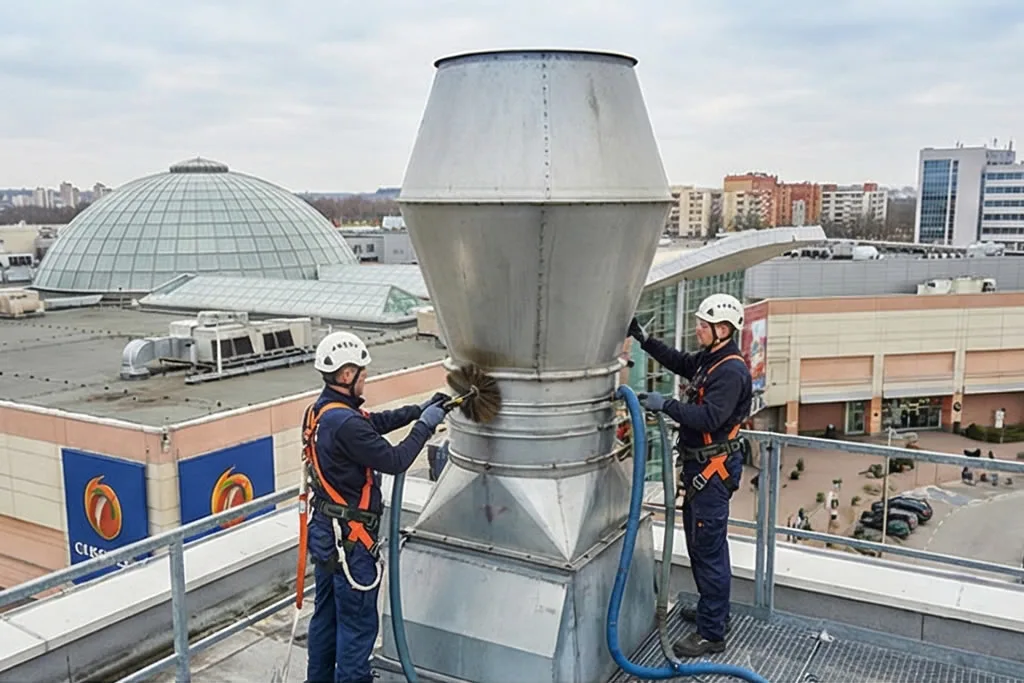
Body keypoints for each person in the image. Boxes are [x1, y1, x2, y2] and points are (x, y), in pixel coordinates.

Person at [303, 331, 450, 683]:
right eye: (362, 373)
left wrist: (418, 409)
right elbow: (396, 459)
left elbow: (373, 423)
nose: (365, 377)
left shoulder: (321, 411)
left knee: (326, 619)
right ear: (344, 375)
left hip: (326, 534)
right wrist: (424, 427)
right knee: (356, 630)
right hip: (352, 544)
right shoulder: (345, 424)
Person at [627, 293, 752, 658]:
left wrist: (666, 404)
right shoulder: (712, 360)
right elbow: (681, 362)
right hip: (704, 469)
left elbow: (710, 418)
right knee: (705, 547)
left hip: (712, 473)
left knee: (708, 550)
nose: (697, 329)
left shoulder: (731, 371)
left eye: (703, 324)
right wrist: (645, 340)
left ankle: (712, 633)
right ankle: (715, 613)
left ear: (723, 329)